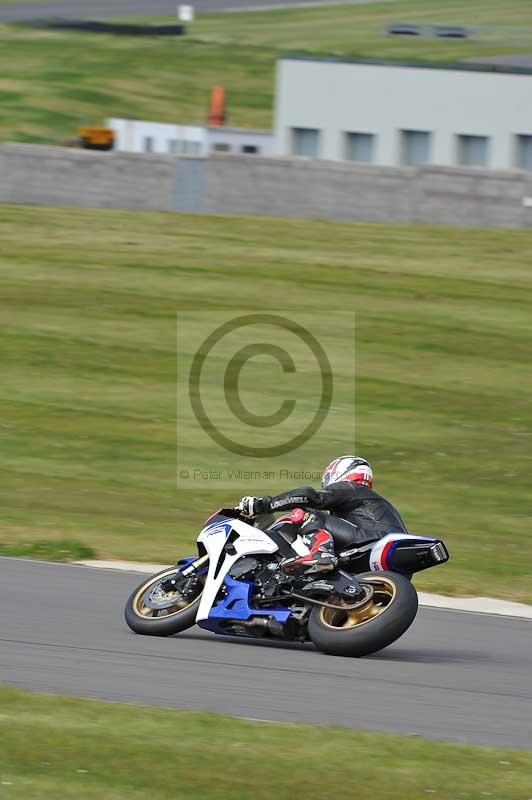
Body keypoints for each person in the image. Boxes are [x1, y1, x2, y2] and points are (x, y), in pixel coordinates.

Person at [238, 455, 408, 575]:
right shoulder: (374, 503)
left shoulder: (352, 488)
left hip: (370, 541)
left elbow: (310, 496)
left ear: (340, 472)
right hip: (391, 564)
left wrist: (264, 505)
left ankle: (321, 554)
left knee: (304, 513)